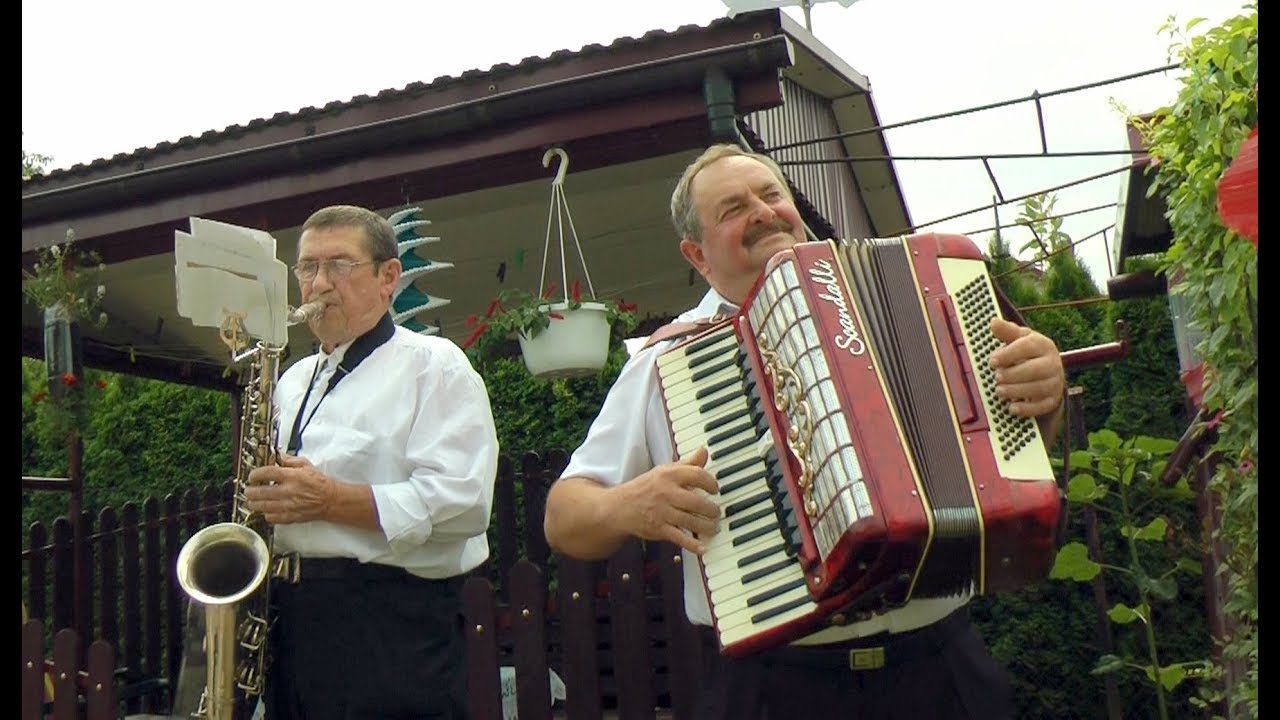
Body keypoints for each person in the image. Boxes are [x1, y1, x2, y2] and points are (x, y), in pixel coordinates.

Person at [542, 144, 1067, 719]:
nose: (764, 212)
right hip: (777, 686)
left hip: (941, 668)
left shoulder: (910, 294)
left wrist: (1043, 398)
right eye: (733, 208)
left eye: (772, 195)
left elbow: (1009, 450)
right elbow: (564, 516)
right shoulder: (666, 363)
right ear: (697, 255)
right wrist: (627, 506)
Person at [243, 204, 499, 720]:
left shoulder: (435, 364)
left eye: (339, 265)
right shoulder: (291, 380)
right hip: (293, 621)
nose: (318, 284)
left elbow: (464, 504)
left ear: (389, 278)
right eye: (307, 268)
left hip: (391, 627)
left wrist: (331, 499)